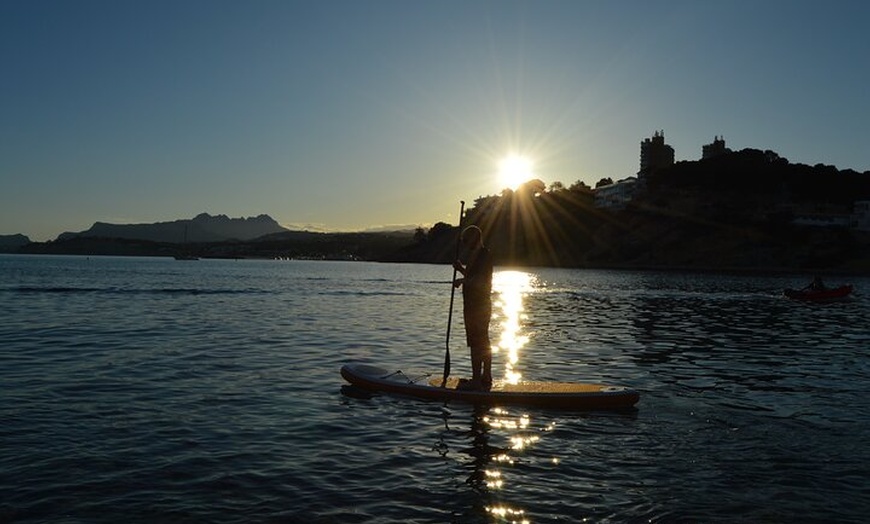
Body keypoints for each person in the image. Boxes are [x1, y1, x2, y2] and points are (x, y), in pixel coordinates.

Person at [453, 225, 494, 391]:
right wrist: (461, 270)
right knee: (483, 340)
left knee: (477, 343)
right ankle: (485, 376)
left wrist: (462, 281)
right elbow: (474, 277)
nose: (464, 244)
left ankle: (477, 380)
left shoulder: (483, 256)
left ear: (472, 240)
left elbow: (481, 281)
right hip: (476, 304)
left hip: (477, 305)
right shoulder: (479, 256)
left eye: (465, 241)